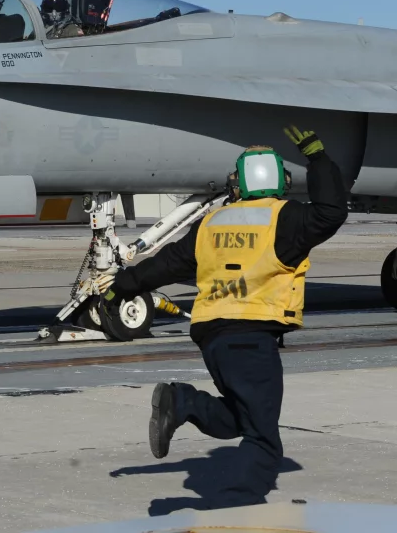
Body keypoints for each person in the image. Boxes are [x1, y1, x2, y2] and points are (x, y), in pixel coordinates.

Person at [103, 125, 348, 508]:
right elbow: (332, 211)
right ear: (281, 180)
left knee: (240, 417)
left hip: (213, 336)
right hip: (251, 336)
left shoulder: (212, 223)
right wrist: (318, 159)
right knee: (263, 439)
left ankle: (182, 403)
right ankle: (239, 508)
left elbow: (167, 263)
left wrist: (122, 286)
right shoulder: (286, 219)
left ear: (238, 183)